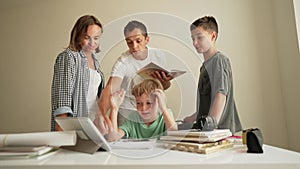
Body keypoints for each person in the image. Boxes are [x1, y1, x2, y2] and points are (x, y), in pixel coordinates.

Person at [98, 20, 173, 126]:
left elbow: (165, 86)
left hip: (152, 109)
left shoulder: (158, 56)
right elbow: (111, 88)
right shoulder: (123, 61)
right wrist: (101, 115)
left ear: (147, 39)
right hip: (127, 111)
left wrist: (164, 81)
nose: (134, 46)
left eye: (138, 41)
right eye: (129, 42)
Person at [183, 16, 242, 133]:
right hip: (209, 130)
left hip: (220, 132)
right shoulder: (204, 67)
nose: (195, 43)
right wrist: (192, 118)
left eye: (199, 37)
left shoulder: (219, 60)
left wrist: (210, 126)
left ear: (213, 36)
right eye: (193, 38)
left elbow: (220, 96)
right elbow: (208, 103)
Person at [51, 15, 107, 133]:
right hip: (75, 126)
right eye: (87, 37)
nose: (92, 42)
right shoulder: (69, 57)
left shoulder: (96, 62)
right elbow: (62, 98)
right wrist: (62, 133)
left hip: (94, 127)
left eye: (96, 38)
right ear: (78, 36)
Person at [106, 79, 177, 141]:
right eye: (139, 103)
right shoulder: (133, 118)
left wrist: (163, 107)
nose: (143, 108)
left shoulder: (165, 115)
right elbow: (113, 138)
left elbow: (174, 134)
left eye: (149, 103)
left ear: (159, 102)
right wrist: (114, 108)